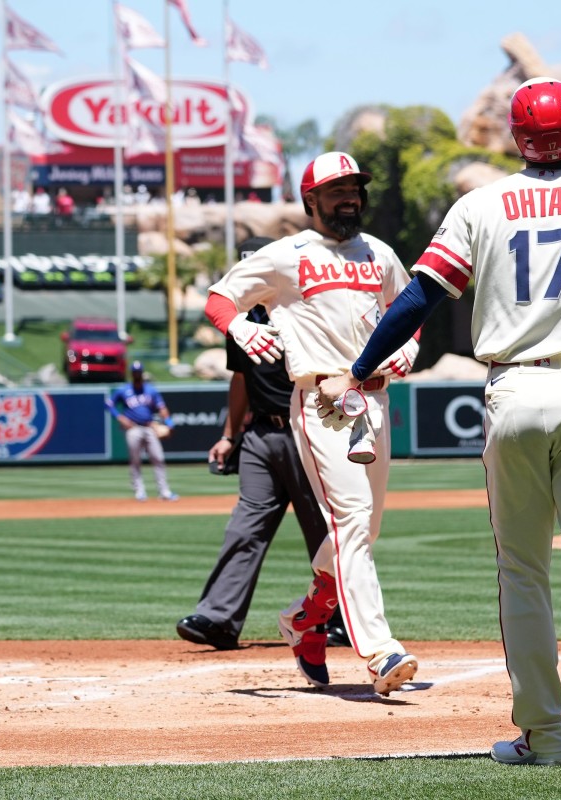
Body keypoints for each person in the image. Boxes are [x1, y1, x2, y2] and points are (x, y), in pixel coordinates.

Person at [316, 79, 561, 780]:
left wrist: (361, 365)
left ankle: (544, 736)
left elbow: (420, 297)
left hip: (514, 387)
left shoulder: (480, 203)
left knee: (522, 571)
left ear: (517, 139)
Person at [202, 151, 421, 695]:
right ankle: (379, 651)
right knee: (352, 521)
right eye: (337, 189)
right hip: (321, 401)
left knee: (363, 529)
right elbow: (220, 298)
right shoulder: (286, 255)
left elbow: (410, 310)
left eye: (355, 188)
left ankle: (304, 620)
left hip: (372, 401)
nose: (350, 197)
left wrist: (410, 348)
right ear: (311, 200)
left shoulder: (380, 253)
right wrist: (239, 330)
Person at [177, 237, 348, 652]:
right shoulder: (238, 321)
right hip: (260, 437)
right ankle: (218, 617)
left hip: (306, 429)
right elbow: (240, 378)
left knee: (323, 529)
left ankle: (342, 617)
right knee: (245, 526)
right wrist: (229, 435)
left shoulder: (302, 308)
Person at [106, 361, 179, 502]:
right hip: (133, 428)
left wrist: (169, 423)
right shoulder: (123, 390)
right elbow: (109, 404)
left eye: (139, 372)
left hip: (149, 427)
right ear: (131, 373)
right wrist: (120, 417)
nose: (137, 374)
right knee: (135, 460)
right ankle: (139, 491)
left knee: (158, 458)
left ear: (142, 373)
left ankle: (164, 492)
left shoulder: (150, 390)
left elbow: (162, 408)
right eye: (135, 372)